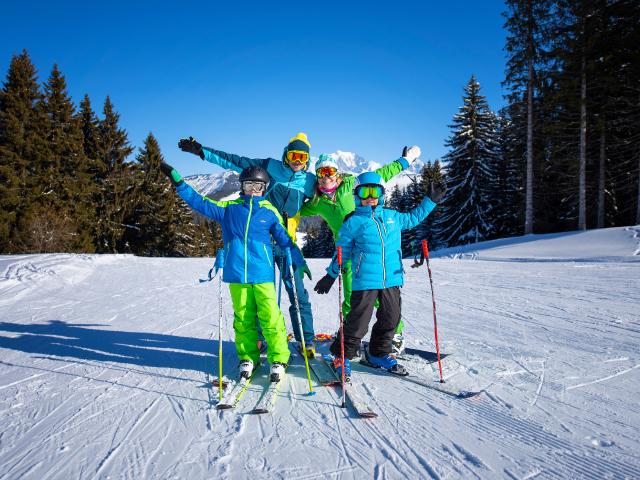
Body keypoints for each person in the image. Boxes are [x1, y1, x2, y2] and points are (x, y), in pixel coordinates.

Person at [160, 162, 306, 382]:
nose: (253, 190)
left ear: (264, 188)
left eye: (257, 186)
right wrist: (180, 184)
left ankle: (279, 357)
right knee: (243, 317)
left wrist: (297, 257)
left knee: (270, 317)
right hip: (237, 273)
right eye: (248, 185)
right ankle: (248, 356)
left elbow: (284, 238)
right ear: (242, 186)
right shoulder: (230, 210)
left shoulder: (269, 211)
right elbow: (200, 202)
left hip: (262, 273)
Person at [178, 133, 317, 357]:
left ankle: (306, 340)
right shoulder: (269, 167)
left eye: (302, 157)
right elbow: (235, 161)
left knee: (297, 292)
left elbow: (329, 195)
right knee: (257, 294)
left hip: (284, 242)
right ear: (285, 155)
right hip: (257, 241)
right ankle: (259, 339)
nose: (297, 161)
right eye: (293, 155)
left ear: (308, 160)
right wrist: (202, 151)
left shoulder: (310, 182)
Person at [314, 171, 446, 376]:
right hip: (365, 280)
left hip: (391, 278)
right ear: (357, 195)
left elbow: (414, 217)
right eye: (364, 192)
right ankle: (341, 355)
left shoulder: (393, 217)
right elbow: (342, 251)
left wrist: (430, 201)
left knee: (391, 318)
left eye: (374, 191)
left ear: (382, 193)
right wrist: (331, 275)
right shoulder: (353, 222)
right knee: (358, 322)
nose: (370, 196)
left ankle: (378, 352)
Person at [303, 147, 421, 354]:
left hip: (369, 250)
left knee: (383, 298)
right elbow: (295, 210)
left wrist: (406, 159)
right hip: (347, 254)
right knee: (352, 298)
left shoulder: (352, 185)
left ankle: (394, 334)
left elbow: (384, 173)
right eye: (321, 173)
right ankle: (350, 336)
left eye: (330, 171)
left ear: (337, 173)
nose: (326, 177)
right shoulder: (317, 201)